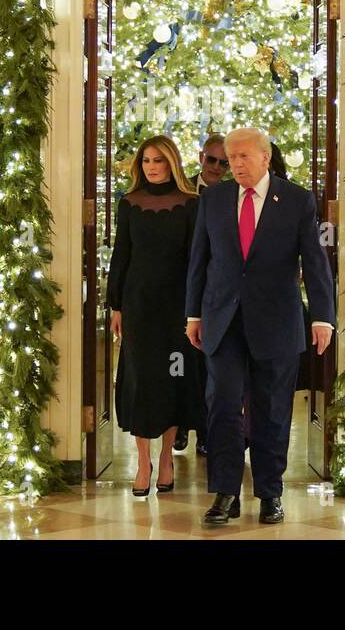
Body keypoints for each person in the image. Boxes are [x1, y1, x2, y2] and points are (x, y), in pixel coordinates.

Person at [185, 127, 335, 525]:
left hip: (277, 321)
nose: (235, 164)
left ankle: (270, 492)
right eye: (230, 158)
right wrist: (193, 315)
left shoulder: (298, 200)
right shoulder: (213, 199)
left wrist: (323, 316)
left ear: (265, 158)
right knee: (222, 406)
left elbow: (315, 261)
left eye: (243, 157)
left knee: (271, 410)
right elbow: (200, 259)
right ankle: (225, 492)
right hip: (223, 320)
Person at [106, 135, 201, 496]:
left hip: (177, 308)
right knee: (141, 380)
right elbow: (121, 256)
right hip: (138, 306)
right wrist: (116, 305)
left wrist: (196, 312)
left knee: (173, 376)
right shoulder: (128, 203)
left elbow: (197, 260)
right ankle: (143, 460)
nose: (151, 167)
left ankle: (166, 459)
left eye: (158, 161)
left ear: (171, 163)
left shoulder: (191, 204)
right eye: (146, 161)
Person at [177, 133, 228, 456]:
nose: (217, 167)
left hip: (217, 292)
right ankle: (182, 425)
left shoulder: (231, 194)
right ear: (200, 157)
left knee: (213, 366)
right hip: (182, 288)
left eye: (224, 163)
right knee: (181, 364)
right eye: (212, 160)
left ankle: (209, 431)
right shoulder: (182, 190)